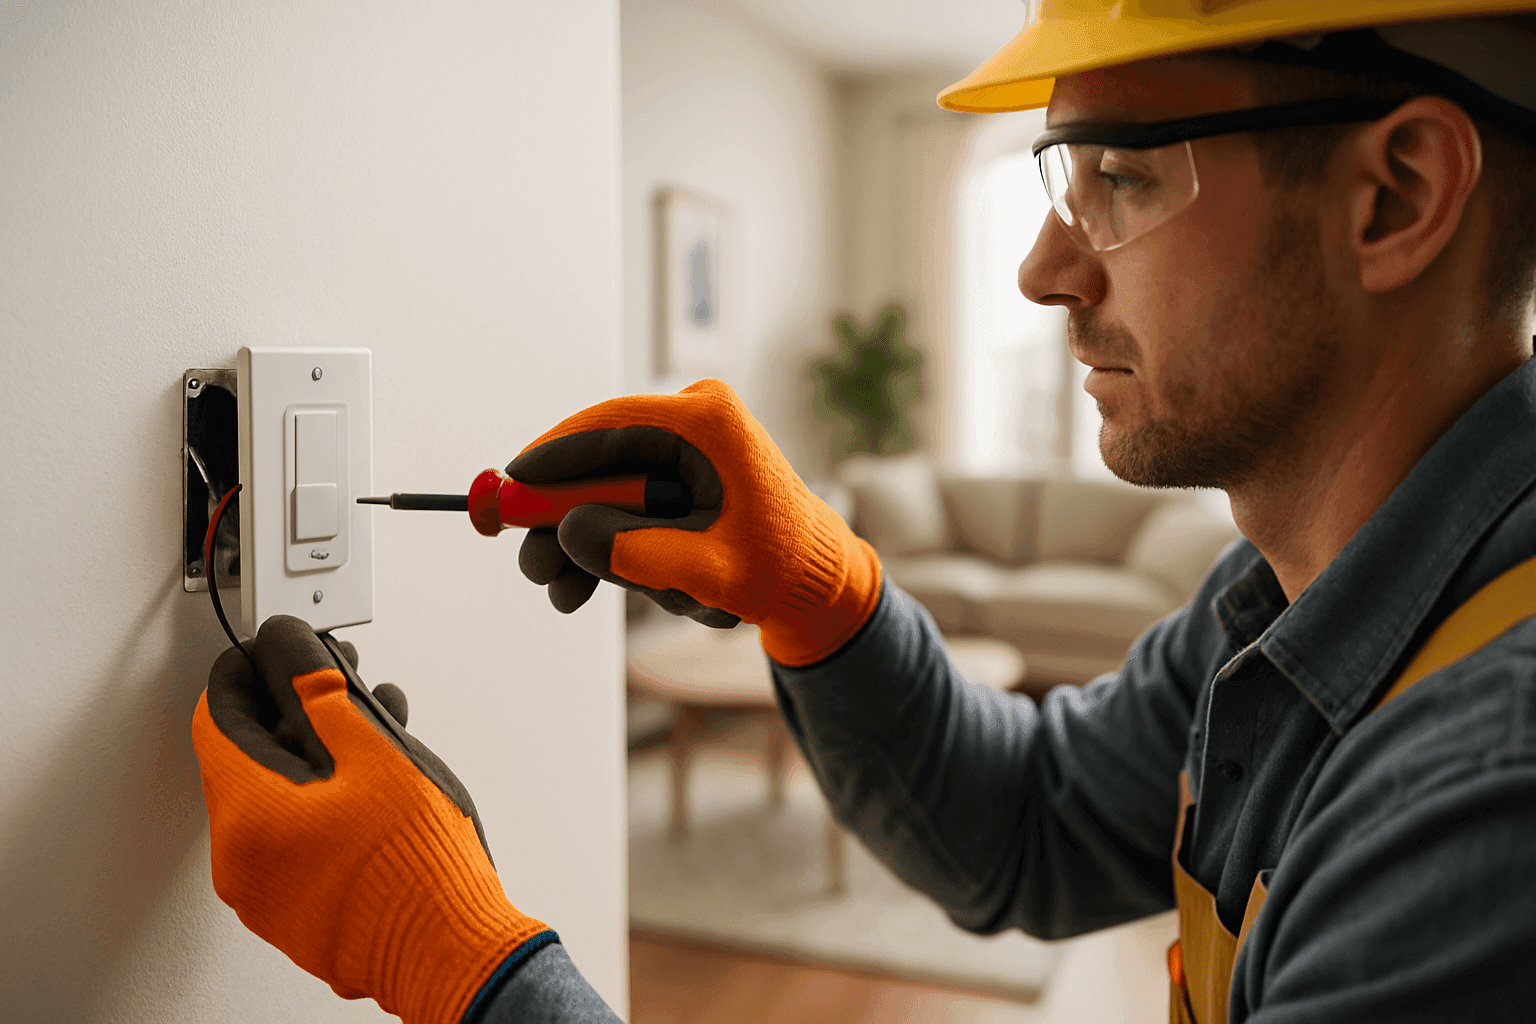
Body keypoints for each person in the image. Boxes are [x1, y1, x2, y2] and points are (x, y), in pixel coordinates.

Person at [192, 3, 1536, 1022]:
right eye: (1063, 182)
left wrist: (466, 968)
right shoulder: (1286, 597)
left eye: (1123, 179)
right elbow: (1028, 825)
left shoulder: (1485, 806)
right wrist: (826, 601)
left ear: (1396, 196)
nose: (1041, 269)